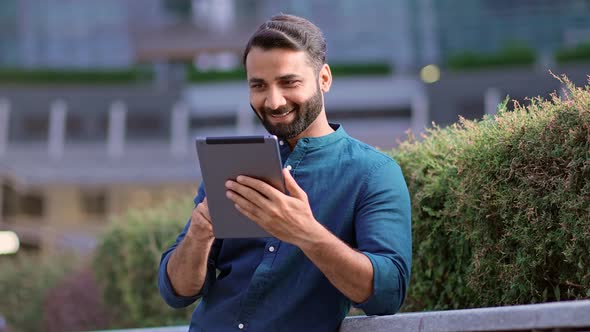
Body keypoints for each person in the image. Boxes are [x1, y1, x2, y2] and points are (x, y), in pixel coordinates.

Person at [158, 14, 411, 332]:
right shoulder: (232, 164)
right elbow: (177, 292)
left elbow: (387, 295)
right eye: (259, 86)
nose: (274, 101)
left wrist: (305, 232)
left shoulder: (374, 173)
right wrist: (198, 234)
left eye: (289, 82)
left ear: (324, 79)